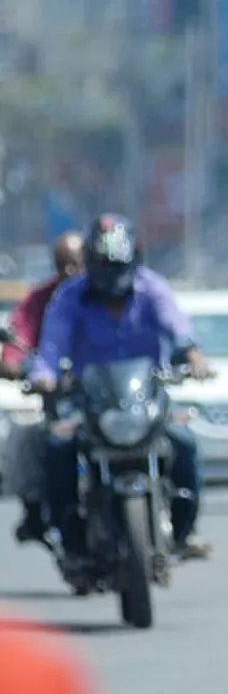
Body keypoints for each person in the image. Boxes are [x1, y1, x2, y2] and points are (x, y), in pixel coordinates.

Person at [29, 214, 213, 562]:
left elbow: (176, 324)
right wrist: (44, 375)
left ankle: (183, 531)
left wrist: (193, 354)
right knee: (58, 449)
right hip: (91, 404)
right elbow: (52, 346)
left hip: (147, 401)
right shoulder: (71, 297)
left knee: (185, 444)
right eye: (104, 264)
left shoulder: (151, 288)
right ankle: (72, 543)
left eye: (118, 264)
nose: (112, 273)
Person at [0, 233, 84, 544]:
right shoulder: (41, 299)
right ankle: (36, 513)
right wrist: (15, 362)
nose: (70, 273)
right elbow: (21, 334)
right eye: (63, 265)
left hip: (106, 400)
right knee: (29, 441)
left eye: (77, 264)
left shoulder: (104, 296)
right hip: (61, 401)